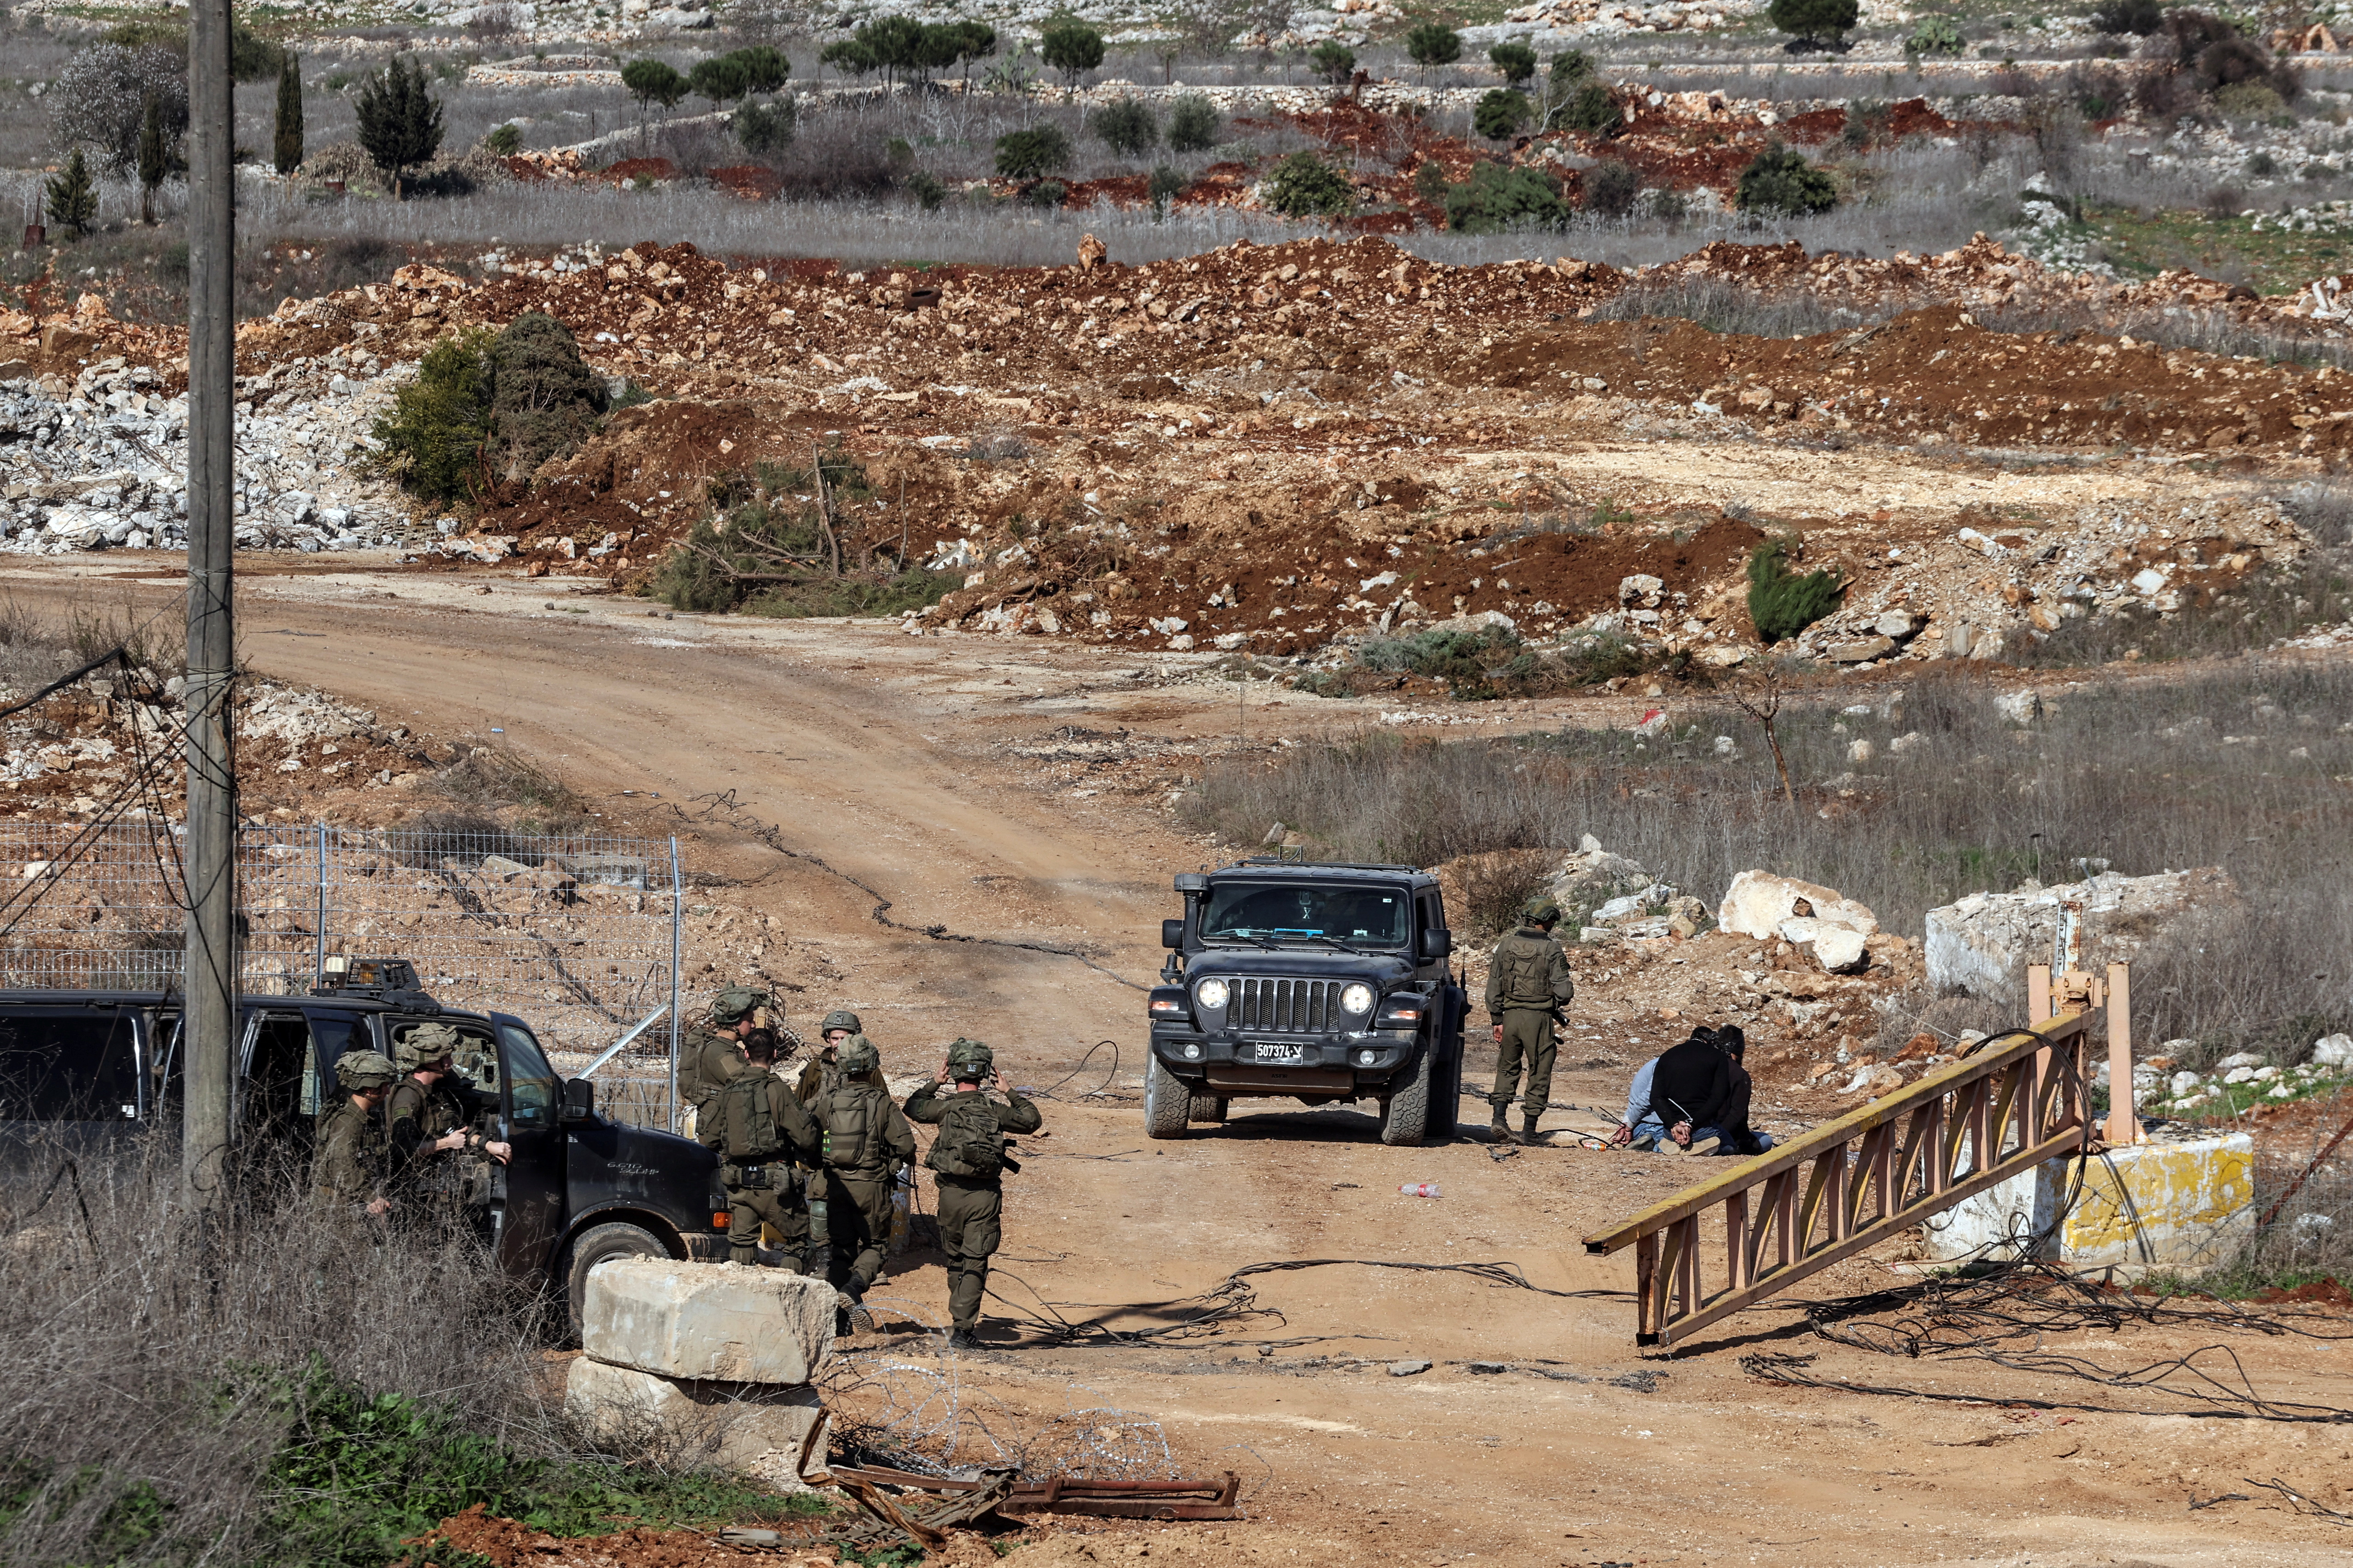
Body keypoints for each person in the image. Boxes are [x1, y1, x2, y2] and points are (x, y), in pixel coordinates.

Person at [903, 1038, 1041, 1350]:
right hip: (984, 1197)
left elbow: (913, 1107)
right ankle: (963, 1329)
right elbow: (1032, 1120)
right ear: (986, 1073)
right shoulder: (995, 1110)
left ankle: (959, 1318)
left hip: (950, 1195)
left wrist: (933, 1083)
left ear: (952, 1071)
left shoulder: (944, 1108)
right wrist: (1009, 1091)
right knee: (975, 1262)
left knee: (955, 1260)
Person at [811, 1032, 916, 1331]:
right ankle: (853, 1290)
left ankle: (838, 1323)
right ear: (872, 1066)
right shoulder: (882, 1102)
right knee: (875, 1246)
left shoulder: (828, 1100)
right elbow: (906, 1147)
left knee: (841, 1249)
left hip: (836, 1187)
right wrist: (890, 1166)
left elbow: (806, 1133)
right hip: (872, 1187)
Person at [700, 1027, 822, 1269]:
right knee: (799, 1243)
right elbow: (806, 1138)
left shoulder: (730, 1090)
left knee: (743, 1244)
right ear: (775, 1054)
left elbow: (709, 1139)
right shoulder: (778, 1090)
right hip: (776, 1185)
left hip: (739, 1184)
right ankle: (789, 1298)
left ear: (746, 1055)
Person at [386, 1021, 511, 1213]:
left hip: (436, 1186)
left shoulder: (435, 1093)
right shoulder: (408, 1097)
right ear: (430, 1060)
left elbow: (456, 1128)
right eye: (445, 1058)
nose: (450, 1062)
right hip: (414, 1192)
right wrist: (446, 1144)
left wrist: (488, 1145)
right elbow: (403, 1148)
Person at [1484, 894, 1576, 1145]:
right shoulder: (1552, 949)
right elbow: (1564, 993)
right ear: (1546, 921)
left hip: (1509, 1017)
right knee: (1540, 1071)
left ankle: (1499, 1119)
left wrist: (1497, 1020)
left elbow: (1493, 987)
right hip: (1538, 1020)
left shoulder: (1505, 945)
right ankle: (1529, 1131)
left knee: (1507, 1067)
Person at [1617, 1025, 1774, 1156]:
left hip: (1669, 1130)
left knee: (1668, 1136)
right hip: (1701, 1128)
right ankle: (1713, 1150)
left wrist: (1673, 1125)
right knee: (1731, 1147)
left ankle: (1661, 1145)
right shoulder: (1718, 1060)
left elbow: (1656, 1098)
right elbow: (1717, 1099)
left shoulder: (1667, 1056)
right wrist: (1690, 1125)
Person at [312, 1049, 400, 1217]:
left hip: (349, 1204)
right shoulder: (349, 1123)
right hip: (339, 1209)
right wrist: (371, 1198)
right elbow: (341, 1169)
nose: (388, 1092)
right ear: (369, 1089)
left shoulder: (361, 1118)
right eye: (385, 1086)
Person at [679, 986, 771, 1123]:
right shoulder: (719, 1053)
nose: (753, 1025)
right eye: (750, 1020)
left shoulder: (726, 1048)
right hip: (719, 1133)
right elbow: (748, 1086)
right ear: (734, 1023)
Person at [798, 1009, 864, 1103]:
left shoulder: (866, 1067)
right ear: (828, 1039)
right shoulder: (816, 1068)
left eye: (844, 1039)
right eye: (835, 1039)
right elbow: (799, 1106)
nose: (840, 1044)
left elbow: (883, 1104)